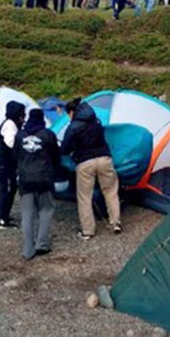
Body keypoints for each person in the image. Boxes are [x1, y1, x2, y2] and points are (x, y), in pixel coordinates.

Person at [60, 99, 121, 239]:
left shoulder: (73, 126)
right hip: (105, 159)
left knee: (84, 197)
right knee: (110, 191)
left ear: (72, 112)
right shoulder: (96, 121)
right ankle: (116, 223)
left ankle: (88, 231)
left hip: (85, 163)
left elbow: (65, 149)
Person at [14, 108, 59, 260]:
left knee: (27, 214)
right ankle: (42, 243)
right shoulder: (48, 135)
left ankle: (28, 249)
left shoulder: (20, 135)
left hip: (26, 179)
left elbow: (15, 155)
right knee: (46, 210)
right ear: (42, 120)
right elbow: (55, 155)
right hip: (44, 178)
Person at [0, 101, 26, 229]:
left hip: (6, 162)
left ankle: (3, 215)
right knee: (6, 189)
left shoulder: (11, 123)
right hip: (4, 162)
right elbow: (11, 143)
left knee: (10, 188)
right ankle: (1, 219)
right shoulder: (10, 125)